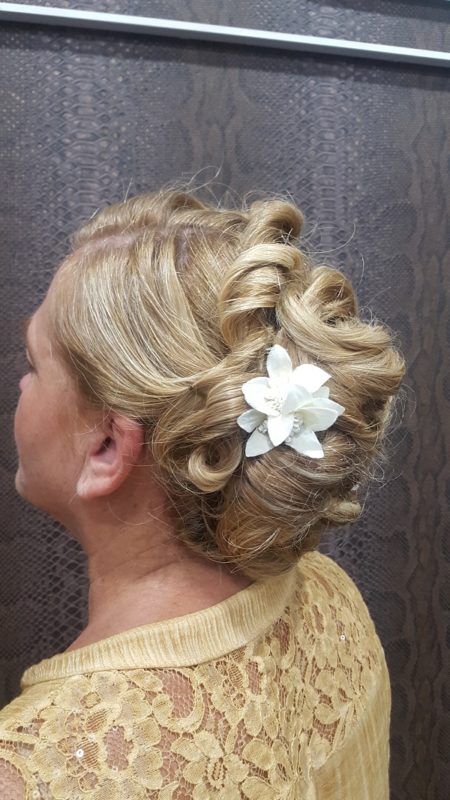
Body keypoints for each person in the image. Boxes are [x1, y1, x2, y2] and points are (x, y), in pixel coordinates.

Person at [0, 185, 405, 798]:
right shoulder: (330, 600)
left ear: (107, 447)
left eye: (33, 363)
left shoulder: (37, 770)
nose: (21, 386)